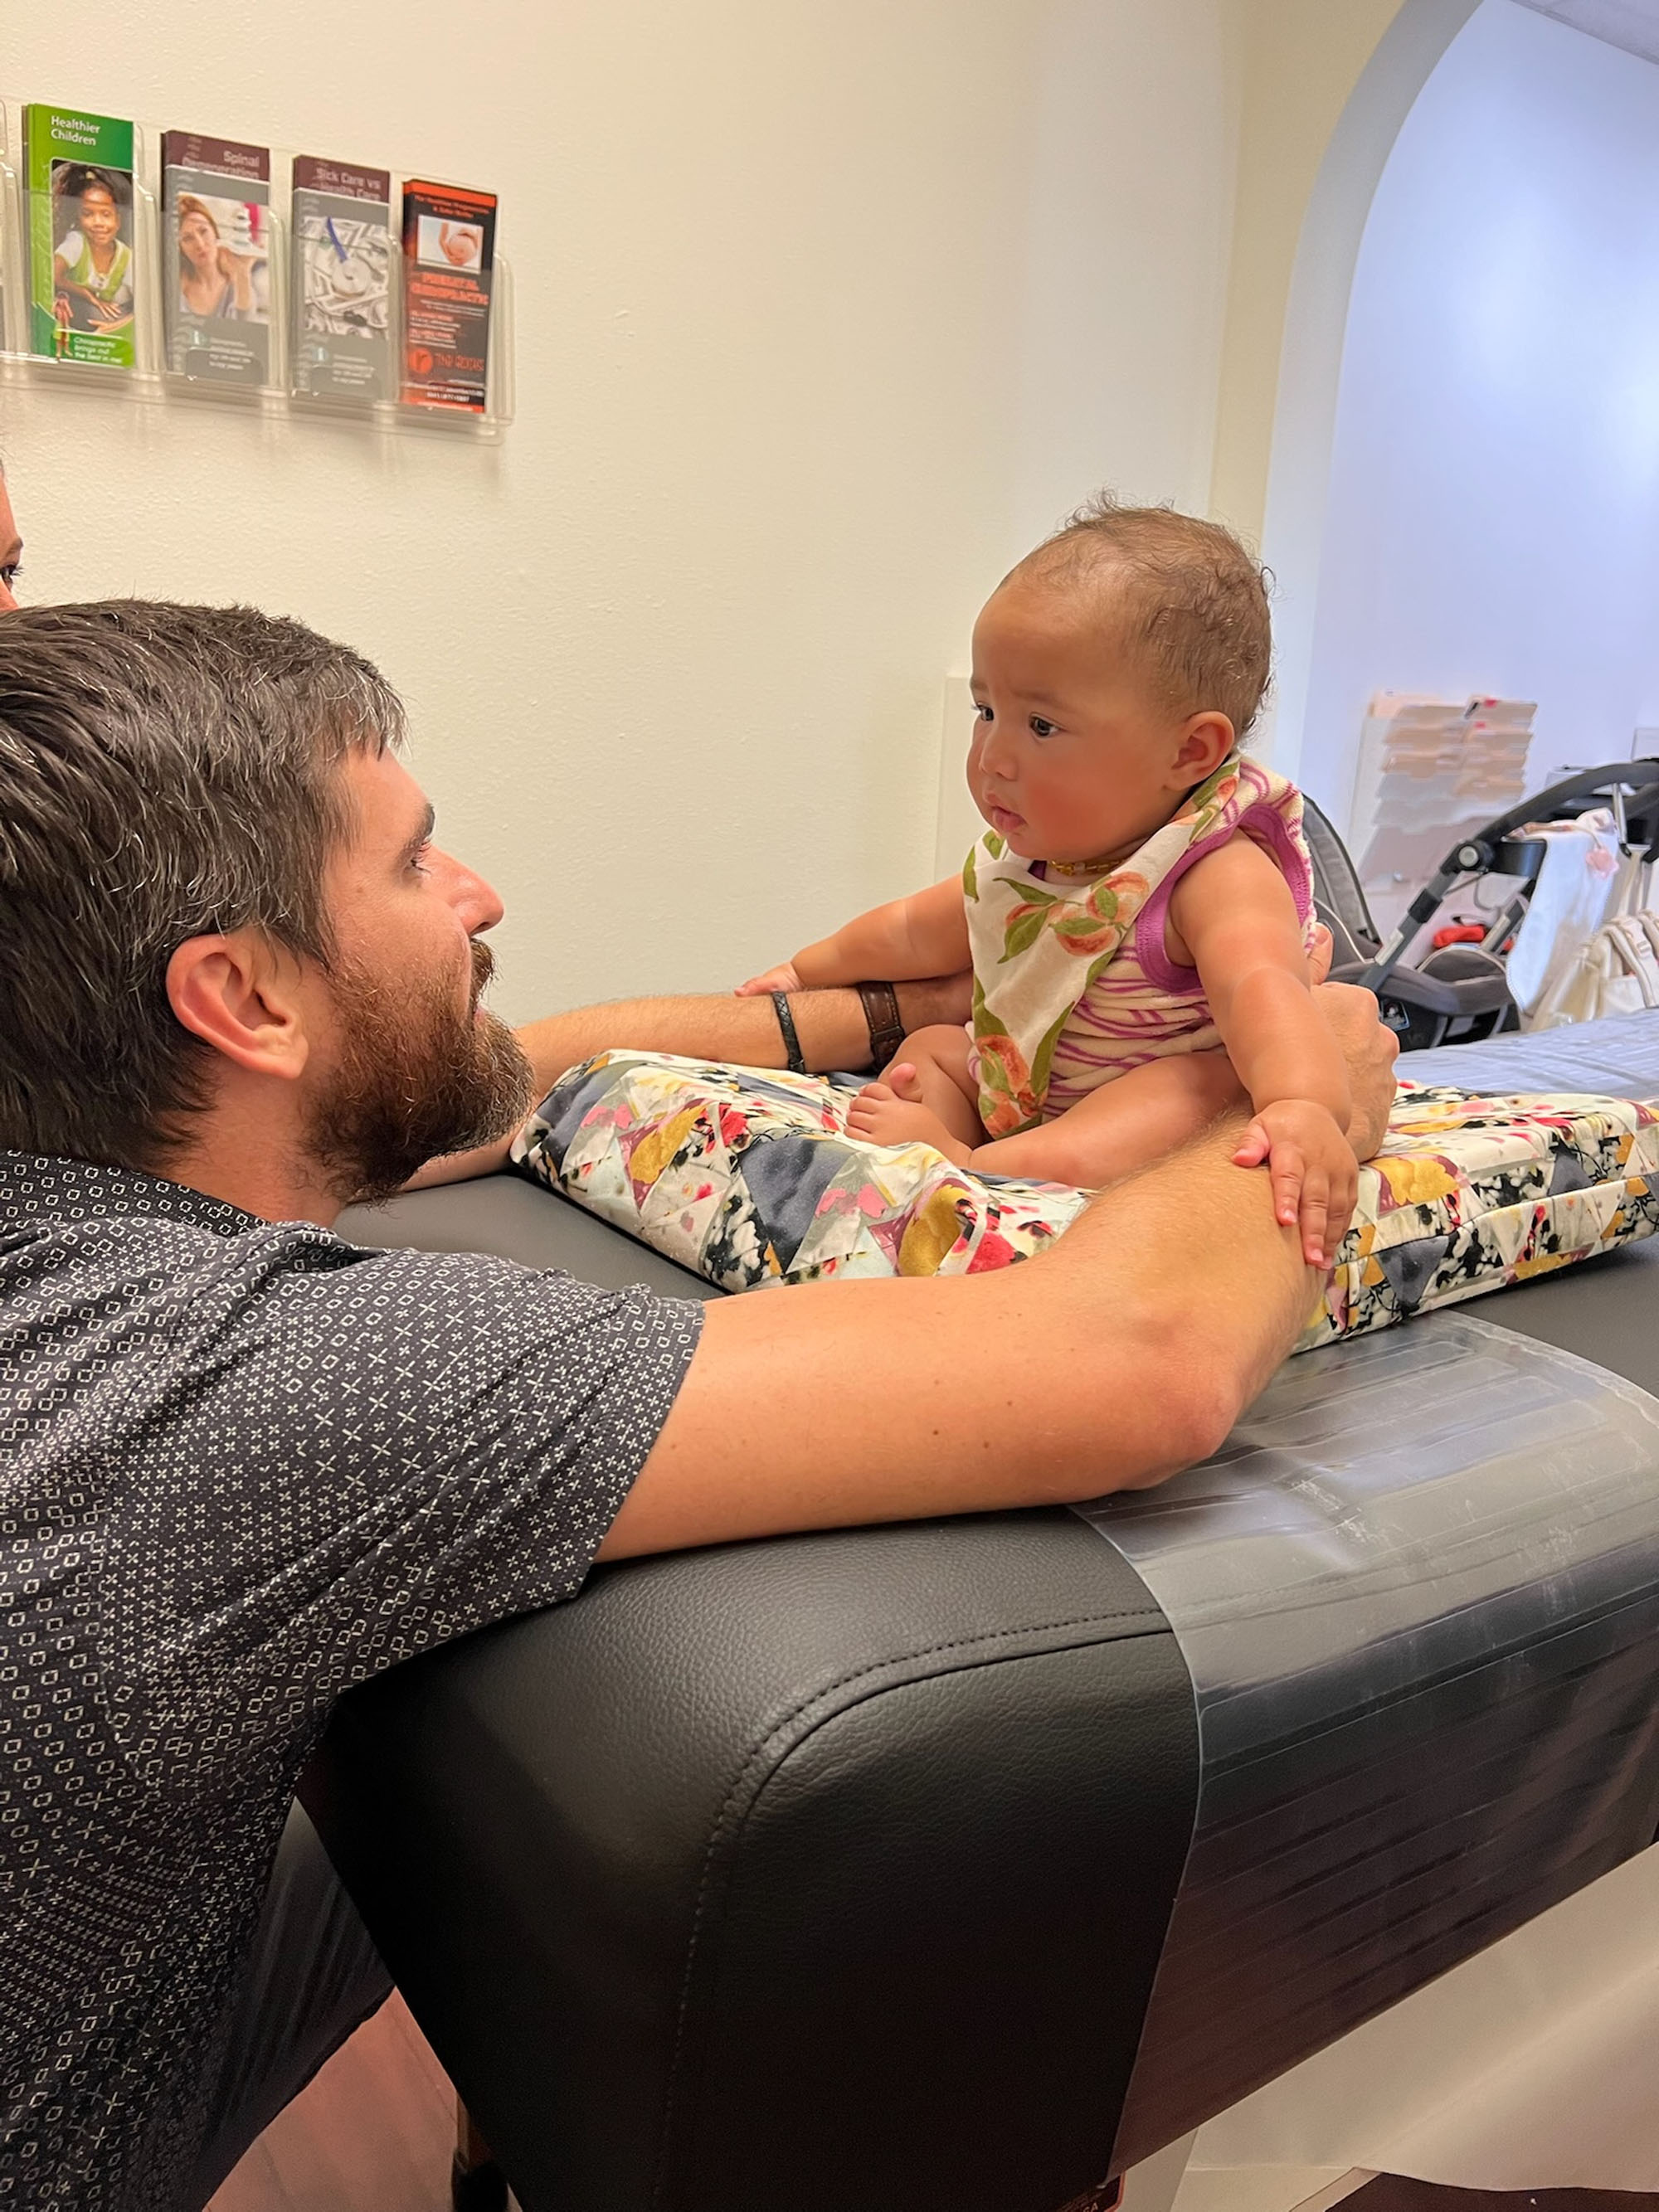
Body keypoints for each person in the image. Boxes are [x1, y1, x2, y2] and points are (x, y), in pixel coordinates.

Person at [0, 599, 1394, 2210]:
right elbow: (1136, 1357)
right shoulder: (249, 1381)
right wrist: (1304, 1099)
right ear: (241, 998)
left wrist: (895, 1020)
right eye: (411, 862)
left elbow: (526, 1067)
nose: (480, 894)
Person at [740, 498, 1356, 1268]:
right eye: (985, 709)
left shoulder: (1212, 872)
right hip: (1025, 1087)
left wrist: (1303, 1104)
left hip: (1141, 1094)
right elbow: (910, 930)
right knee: (933, 1048)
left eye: (1040, 727)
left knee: (1185, 1093)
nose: (994, 755)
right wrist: (804, 970)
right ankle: (947, 1142)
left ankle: (984, 1167)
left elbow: (1266, 988)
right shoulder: (1033, 862)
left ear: (1191, 751)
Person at [52, 164, 135, 334]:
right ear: (78, 218)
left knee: (115, 313)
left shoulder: (127, 256)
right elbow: (53, 276)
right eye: (88, 214)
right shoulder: (76, 242)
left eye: (106, 214)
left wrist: (115, 327)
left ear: (118, 221)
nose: (98, 223)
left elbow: (143, 307)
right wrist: (89, 296)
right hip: (78, 316)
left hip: (112, 326)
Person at [176, 193, 265, 322]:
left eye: (203, 231)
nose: (200, 244)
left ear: (214, 231)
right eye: (188, 238)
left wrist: (243, 273)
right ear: (181, 247)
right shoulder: (176, 288)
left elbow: (246, 325)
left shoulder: (235, 283)